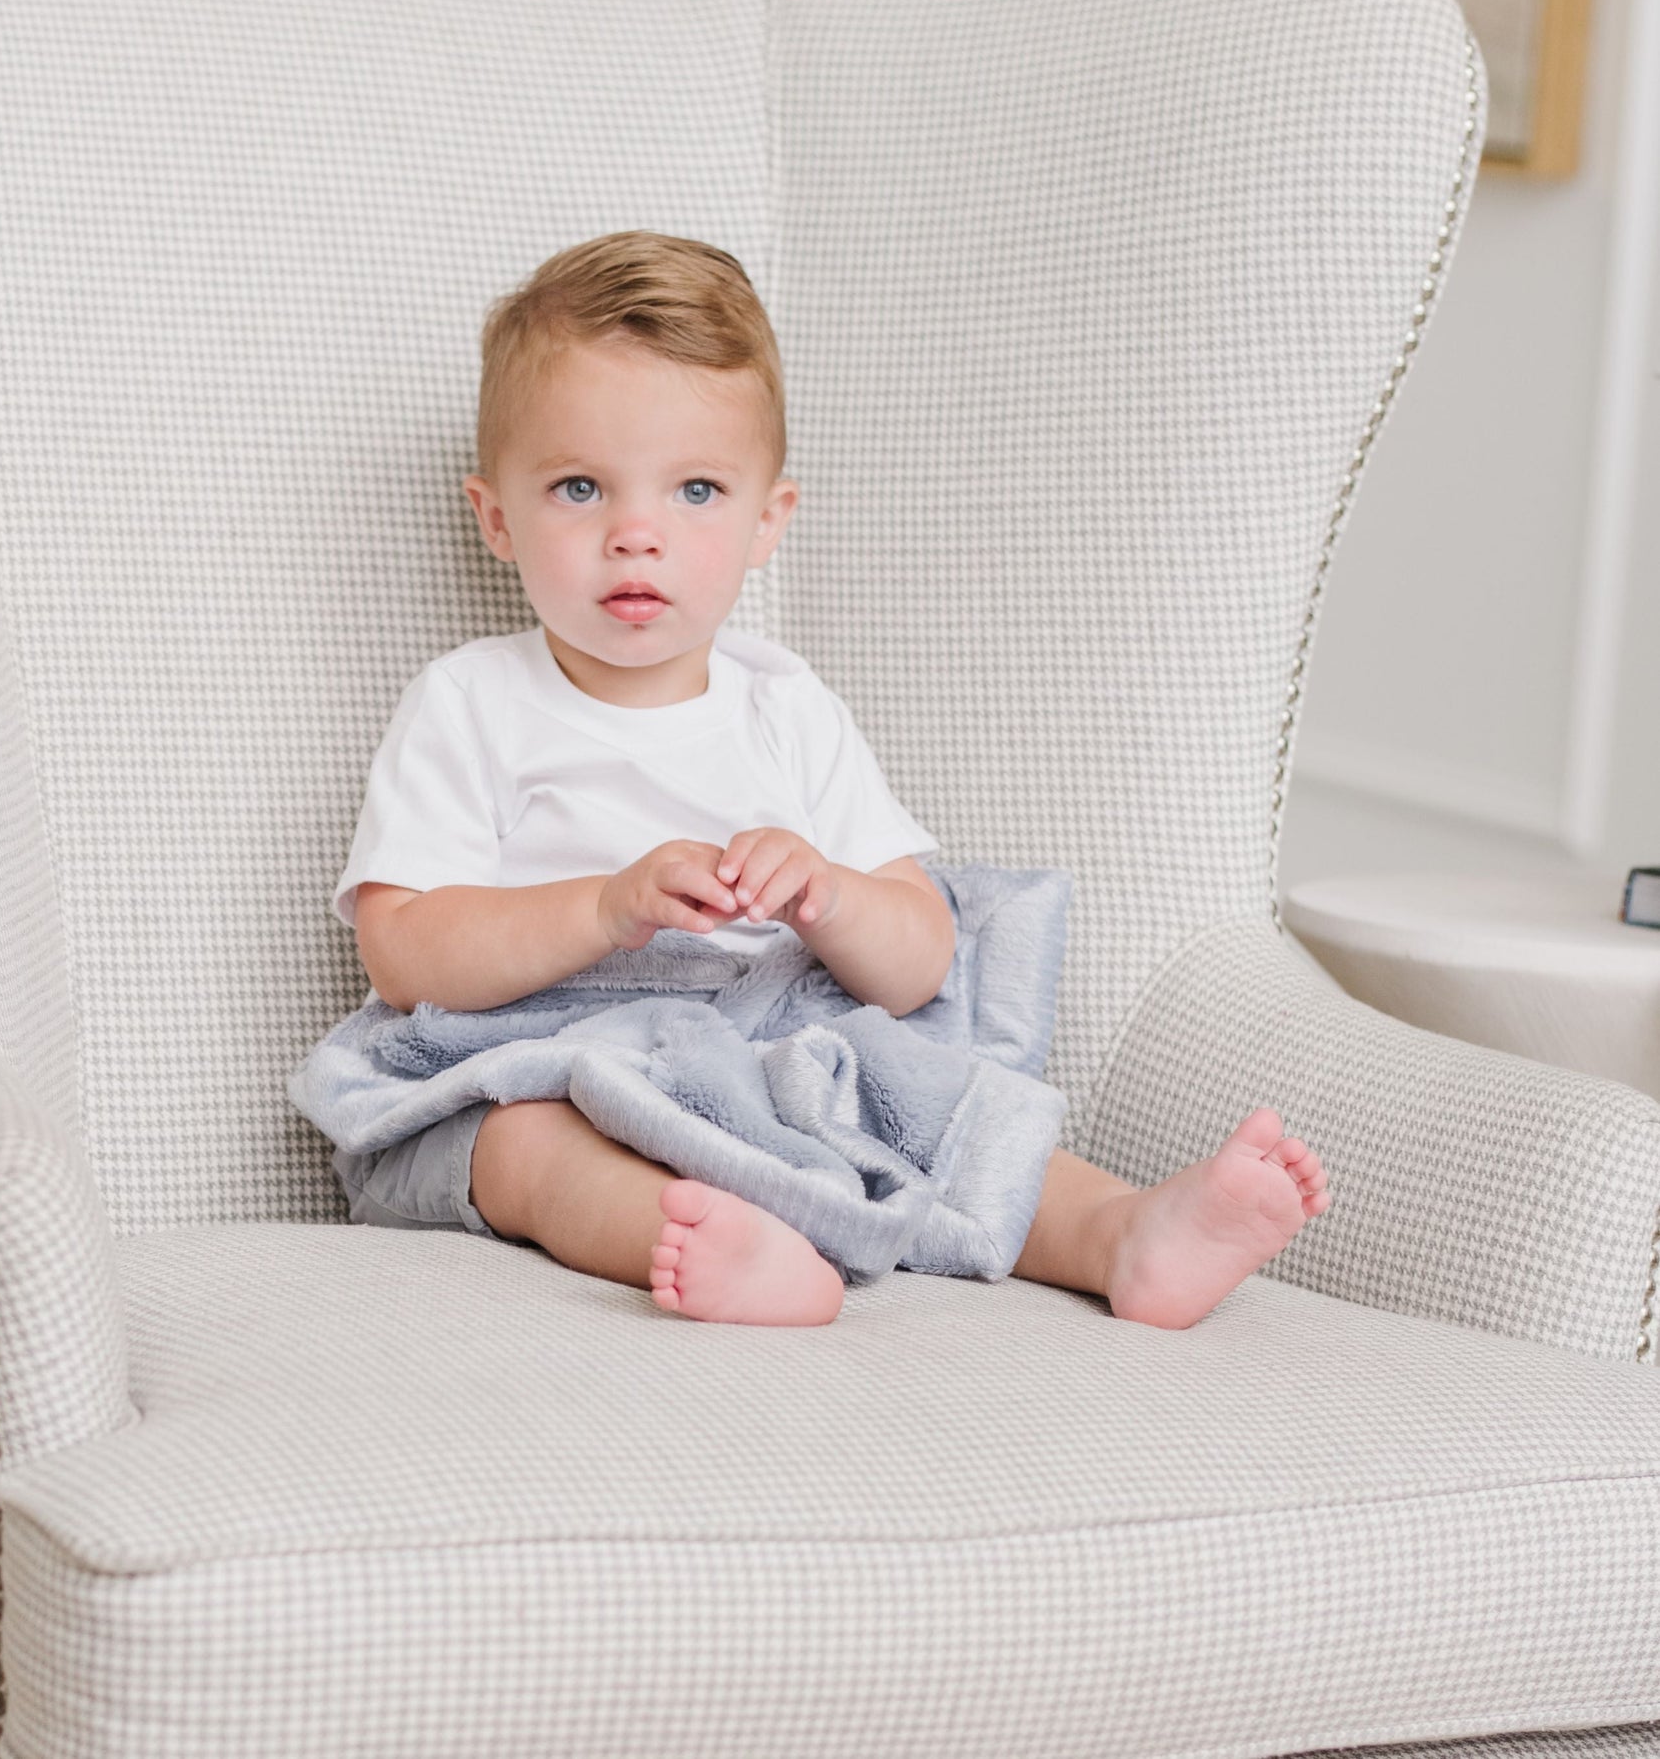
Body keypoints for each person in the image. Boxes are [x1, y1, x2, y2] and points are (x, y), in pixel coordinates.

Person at [333, 229, 1330, 1329]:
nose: (635, 535)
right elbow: (404, 949)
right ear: (496, 518)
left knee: (920, 1099)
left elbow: (919, 960)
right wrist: (603, 907)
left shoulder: (785, 707)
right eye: (579, 487)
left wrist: (827, 894)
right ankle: (710, 1236)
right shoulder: (470, 702)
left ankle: (1118, 1233)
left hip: (761, 1049)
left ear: (767, 521)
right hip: (535, 1051)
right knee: (524, 1147)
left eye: (696, 489)